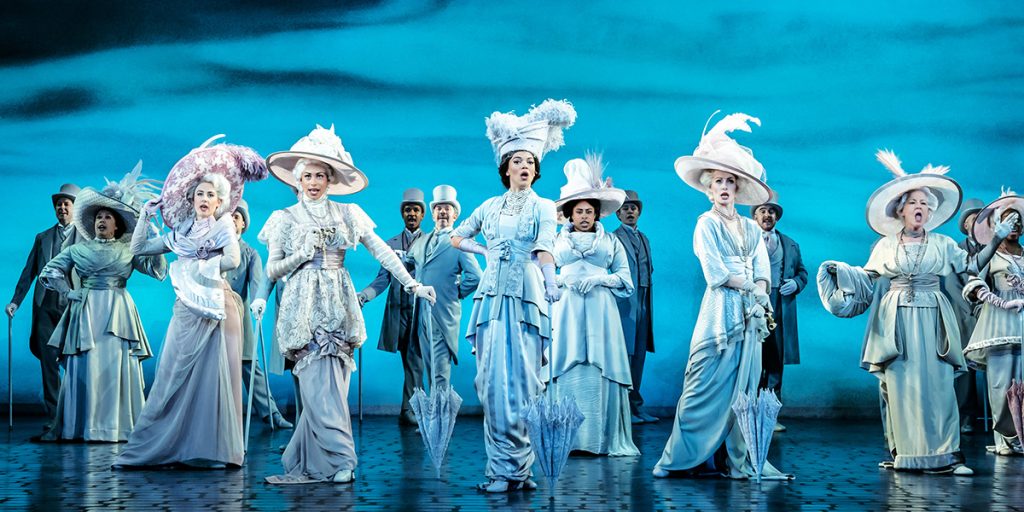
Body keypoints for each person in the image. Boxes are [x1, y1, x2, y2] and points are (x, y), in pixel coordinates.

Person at [260, 125, 435, 484]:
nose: (313, 182)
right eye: (307, 176)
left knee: (335, 388)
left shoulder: (347, 213)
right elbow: (272, 269)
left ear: (330, 179)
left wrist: (411, 283)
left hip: (338, 305)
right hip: (302, 306)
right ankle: (342, 458)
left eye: (320, 175)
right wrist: (298, 258)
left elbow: (381, 251)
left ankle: (322, 460)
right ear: (298, 180)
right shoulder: (285, 218)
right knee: (314, 387)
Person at [818, 149, 1007, 475]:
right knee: (901, 386)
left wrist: (995, 240)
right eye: (914, 203)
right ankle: (906, 454)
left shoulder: (943, 244)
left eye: (924, 203)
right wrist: (841, 271)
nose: (920, 207)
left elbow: (971, 266)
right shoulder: (886, 245)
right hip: (896, 321)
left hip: (933, 316)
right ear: (901, 210)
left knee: (939, 386)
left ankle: (946, 455)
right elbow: (867, 276)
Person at [115, 136, 268, 469]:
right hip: (186, 307)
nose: (205, 199)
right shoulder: (180, 233)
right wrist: (145, 217)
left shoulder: (223, 225)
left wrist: (202, 262)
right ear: (191, 198)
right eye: (200, 193)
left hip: (215, 305)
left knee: (212, 376)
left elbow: (232, 258)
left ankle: (211, 449)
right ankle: (166, 444)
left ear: (220, 201)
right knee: (173, 371)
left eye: (211, 195)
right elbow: (139, 248)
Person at [653, 112, 786, 480]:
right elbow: (716, 274)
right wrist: (750, 286)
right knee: (703, 383)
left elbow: (762, 269)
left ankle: (735, 459)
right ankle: (680, 458)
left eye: (730, 181)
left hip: (750, 314)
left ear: (737, 189)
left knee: (745, 387)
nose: (724, 187)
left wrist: (760, 292)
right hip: (720, 312)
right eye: (718, 182)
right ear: (709, 190)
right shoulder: (706, 224)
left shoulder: (750, 226)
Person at [451, 98, 574, 492]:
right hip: (491, 299)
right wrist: (484, 251)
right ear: (505, 168)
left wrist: (550, 281)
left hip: (525, 298)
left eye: (529, 162)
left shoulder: (543, 206)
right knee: (491, 382)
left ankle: (518, 469)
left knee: (523, 381)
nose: (523, 166)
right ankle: (501, 468)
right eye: (516, 161)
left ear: (536, 170)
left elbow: (545, 246)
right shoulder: (489, 206)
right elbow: (457, 236)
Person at [39, 164, 167, 442]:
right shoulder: (77, 249)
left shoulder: (128, 249)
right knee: (87, 364)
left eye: (108, 216)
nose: (102, 220)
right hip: (85, 311)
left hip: (118, 312)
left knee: (114, 364)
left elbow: (157, 271)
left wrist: (154, 239)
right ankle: (84, 426)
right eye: (98, 216)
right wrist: (68, 292)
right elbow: (49, 272)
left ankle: (116, 426)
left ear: (117, 224)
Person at [547, 154, 639, 456]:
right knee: (566, 363)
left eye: (589, 211)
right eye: (579, 211)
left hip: (601, 311)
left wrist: (600, 279)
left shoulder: (611, 242)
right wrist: (562, 280)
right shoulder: (555, 241)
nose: (584, 216)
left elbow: (625, 279)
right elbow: (540, 274)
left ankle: (599, 439)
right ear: (570, 215)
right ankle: (566, 437)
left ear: (597, 214)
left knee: (601, 363)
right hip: (568, 310)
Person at [7, 183, 82, 432]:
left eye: (67, 204)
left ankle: (79, 415)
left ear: (76, 208)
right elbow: (28, 272)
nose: (62, 208)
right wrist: (15, 301)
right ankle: (55, 417)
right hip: (46, 307)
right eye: (59, 204)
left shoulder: (86, 237)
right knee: (48, 362)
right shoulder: (43, 238)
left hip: (73, 306)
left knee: (76, 362)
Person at [962, 191, 1023, 456]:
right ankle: (1005, 439)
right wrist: (996, 300)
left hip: (1022, 319)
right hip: (999, 321)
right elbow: (973, 276)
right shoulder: (992, 254)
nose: (1014, 226)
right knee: (1001, 383)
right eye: (1009, 221)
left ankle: (1022, 436)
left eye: (1018, 221)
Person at [358, 188, 426, 426]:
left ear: (422, 214)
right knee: (409, 360)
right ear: (402, 213)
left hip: (420, 310)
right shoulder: (390, 244)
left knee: (415, 359)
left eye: (416, 210)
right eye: (407, 210)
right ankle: (413, 408)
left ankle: (411, 409)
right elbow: (382, 279)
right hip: (398, 311)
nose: (411, 214)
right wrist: (364, 295)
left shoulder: (431, 243)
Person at [406, 185, 482, 390]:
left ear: (455, 215)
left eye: (447, 208)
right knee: (429, 371)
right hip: (420, 315)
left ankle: (441, 411)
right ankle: (434, 410)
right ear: (432, 214)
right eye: (438, 208)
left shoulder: (460, 243)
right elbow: (409, 265)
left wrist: (455, 293)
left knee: (440, 374)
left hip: (442, 314)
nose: (442, 212)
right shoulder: (421, 242)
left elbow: (476, 276)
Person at [226, 198, 292, 430]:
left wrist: (257, 306)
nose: (231, 220)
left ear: (243, 223)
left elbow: (257, 286)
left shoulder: (250, 253)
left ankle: (271, 414)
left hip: (238, 313)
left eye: (236, 216)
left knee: (249, 366)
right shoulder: (213, 247)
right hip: (212, 314)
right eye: (228, 215)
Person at [750, 200, 807, 433]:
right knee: (753, 358)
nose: (767, 215)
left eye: (771, 211)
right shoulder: (746, 240)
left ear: (777, 217)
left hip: (780, 305)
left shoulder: (790, 244)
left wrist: (796, 283)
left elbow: (802, 272)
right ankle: (748, 412)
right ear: (755, 216)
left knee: (775, 360)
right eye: (762, 211)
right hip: (753, 303)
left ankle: (770, 416)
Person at [613, 190, 657, 425]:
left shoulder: (644, 238)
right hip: (624, 302)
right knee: (624, 354)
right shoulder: (613, 238)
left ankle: (636, 406)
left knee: (639, 355)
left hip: (644, 299)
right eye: (625, 208)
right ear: (618, 214)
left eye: (633, 208)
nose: (630, 212)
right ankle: (623, 409)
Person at [950, 197, 985, 433]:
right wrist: (972, 308)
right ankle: (967, 416)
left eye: (982, 219)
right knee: (965, 369)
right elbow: (951, 285)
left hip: (991, 313)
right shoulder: (956, 250)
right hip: (964, 316)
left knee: (999, 366)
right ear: (965, 225)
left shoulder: (995, 248)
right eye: (974, 219)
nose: (978, 224)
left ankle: (1006, 417)